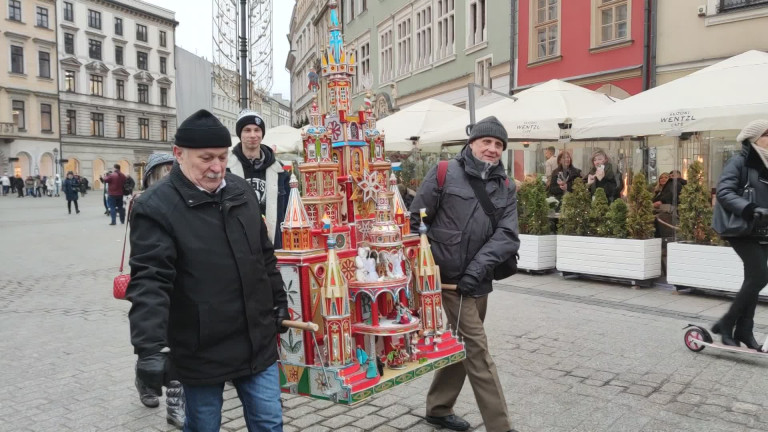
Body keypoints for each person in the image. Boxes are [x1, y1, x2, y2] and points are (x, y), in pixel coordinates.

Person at [126, 109, 288, 432]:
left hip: (255, 337)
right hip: (200, 346)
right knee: (203, 426)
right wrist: (149, 348)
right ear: (178, 155)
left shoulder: (241, 191)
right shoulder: (156, 207)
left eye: (223, 157)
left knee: (270, 424)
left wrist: (278, 298)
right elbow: (150, 281)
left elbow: (264, 256)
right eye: (206, 159)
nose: (217, 168)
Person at [410, 116, 519, 432]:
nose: (492, 149)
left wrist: (477, 270)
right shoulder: (444, 172)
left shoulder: (506, 186)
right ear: (472, 143)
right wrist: (424, 266)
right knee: (478, 350)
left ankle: (439, 408)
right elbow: (417, 220)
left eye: (498, 144)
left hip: (478, 279)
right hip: (446, 280)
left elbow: (507, 234)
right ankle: (501, 426)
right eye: (487, 141)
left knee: (459, 341)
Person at [128, 152, 185, 428]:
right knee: (152, 340)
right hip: (154, 283)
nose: (165, 176)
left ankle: (175, 402)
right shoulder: (144, 203)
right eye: (160, 172)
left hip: (183, 286)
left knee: (177, 343)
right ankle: (146, 381)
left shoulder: (183, 199)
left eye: (169, 171)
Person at [712, 119, 768, 349]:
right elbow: (724, 192)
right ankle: (726, 324)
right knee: (760, 276)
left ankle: (744, 330)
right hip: (742, 228)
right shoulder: (740, 161)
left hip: (762, 229)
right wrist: (750, 208)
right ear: (756, 138)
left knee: (753, 281)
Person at [228, 109, 290, 248]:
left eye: (257, 130)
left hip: (273, 244)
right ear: (240, 134)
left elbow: (288, 210)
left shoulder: (279, 171)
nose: (253, 135)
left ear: (262, 134)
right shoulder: (226, 169)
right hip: (238, 245)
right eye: (247, 130)